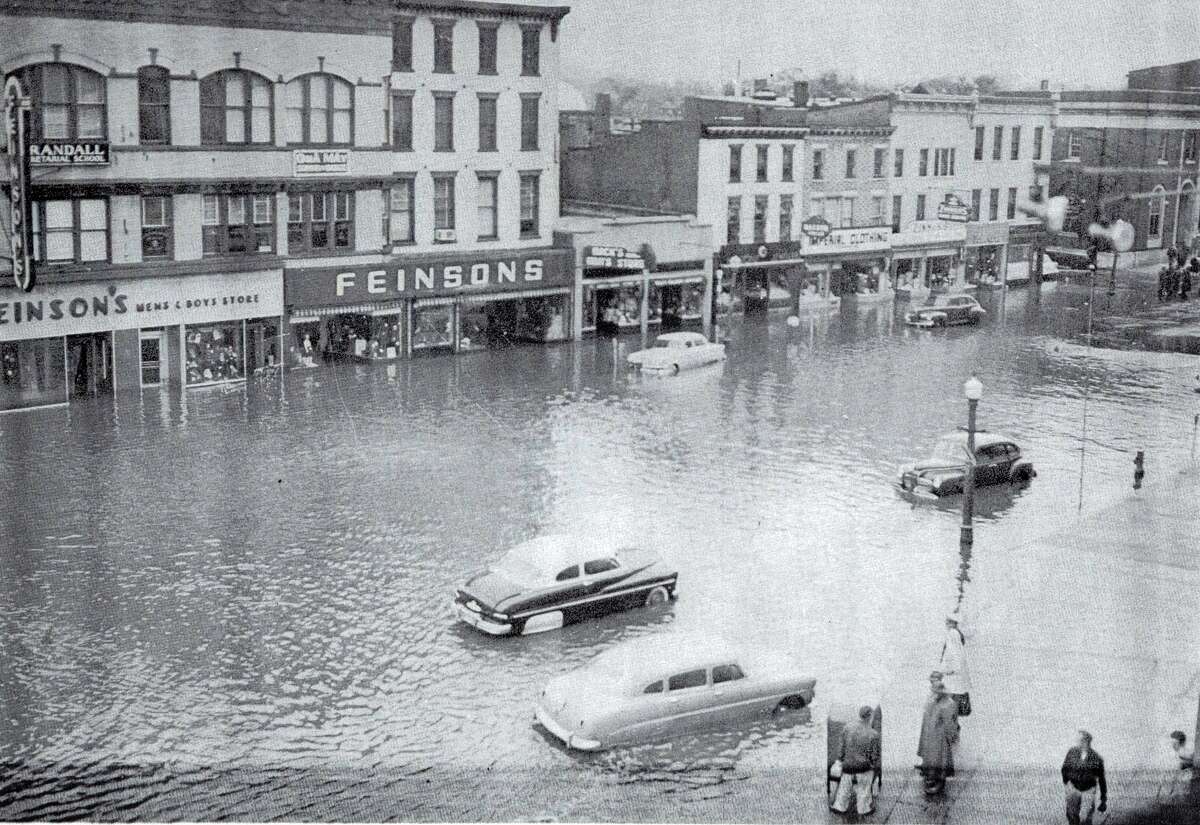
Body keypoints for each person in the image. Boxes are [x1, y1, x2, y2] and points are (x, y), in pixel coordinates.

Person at [832, 705, 881, 816]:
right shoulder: (873, 734)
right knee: (864, 788)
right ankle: (863, 808)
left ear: (859, 715)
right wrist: (872, 765)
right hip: (863, 768)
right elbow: (874, 757)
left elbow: (841, 750)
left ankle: (839, 807)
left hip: (847, 766)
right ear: (869, 717)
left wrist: (841, 760)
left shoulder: (847, 728)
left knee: (844, 788)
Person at [918, 672, 959, 795]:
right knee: (933, 759)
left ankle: (940, 783)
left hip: (941, 738)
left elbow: (950, 724)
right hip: (932, 736)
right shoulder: (934, 701)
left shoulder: (948, 704)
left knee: (942, 760)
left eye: (935, 693)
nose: (933, 695)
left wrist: (952, 737)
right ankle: (933, 777)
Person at [1061, 730, 1107, 825]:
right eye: (1078, 740)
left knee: (1086, 818)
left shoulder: (1096, 758)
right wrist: (1067, 784)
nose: (1079, 742)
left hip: (1089, 790)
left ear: (1087, 741)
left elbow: (1102, 779)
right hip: (1073, 788)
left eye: (1081, 740)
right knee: (1071, 815)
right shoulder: (1071, 752)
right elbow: (1064, 769)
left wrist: (1103, 799)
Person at [938, 613, 972, 718]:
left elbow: (954, 653)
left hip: (953, 677)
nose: (946, 623)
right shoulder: (957, 633)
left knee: (950, 707)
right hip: (957, 676)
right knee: (953, 705)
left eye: (948, 621)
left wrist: (948, 669)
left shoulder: (952, 634)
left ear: (952, 623)